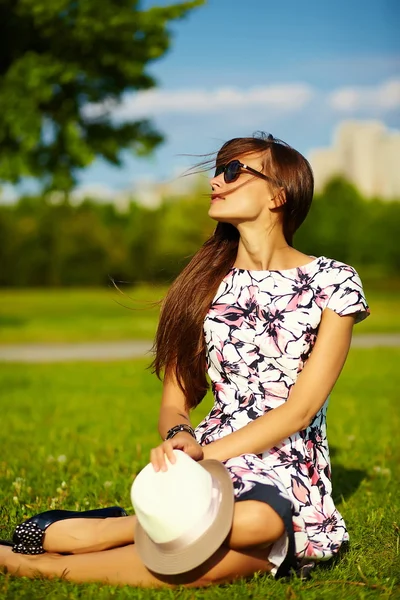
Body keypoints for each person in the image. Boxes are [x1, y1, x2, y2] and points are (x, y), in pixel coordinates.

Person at [0, 133, 370, 587]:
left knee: (259, 525)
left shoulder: (334, 282)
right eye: (218, 171)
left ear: (280, 193)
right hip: (213, 465)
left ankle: (89, 537)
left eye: (234, 171)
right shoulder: (204, 286)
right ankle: (53, 556)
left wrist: (204, 452)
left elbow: (302, 409)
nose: (217, 182)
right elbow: (175, 400)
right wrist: (180, 437)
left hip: (287, 461)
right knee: (247, 538)